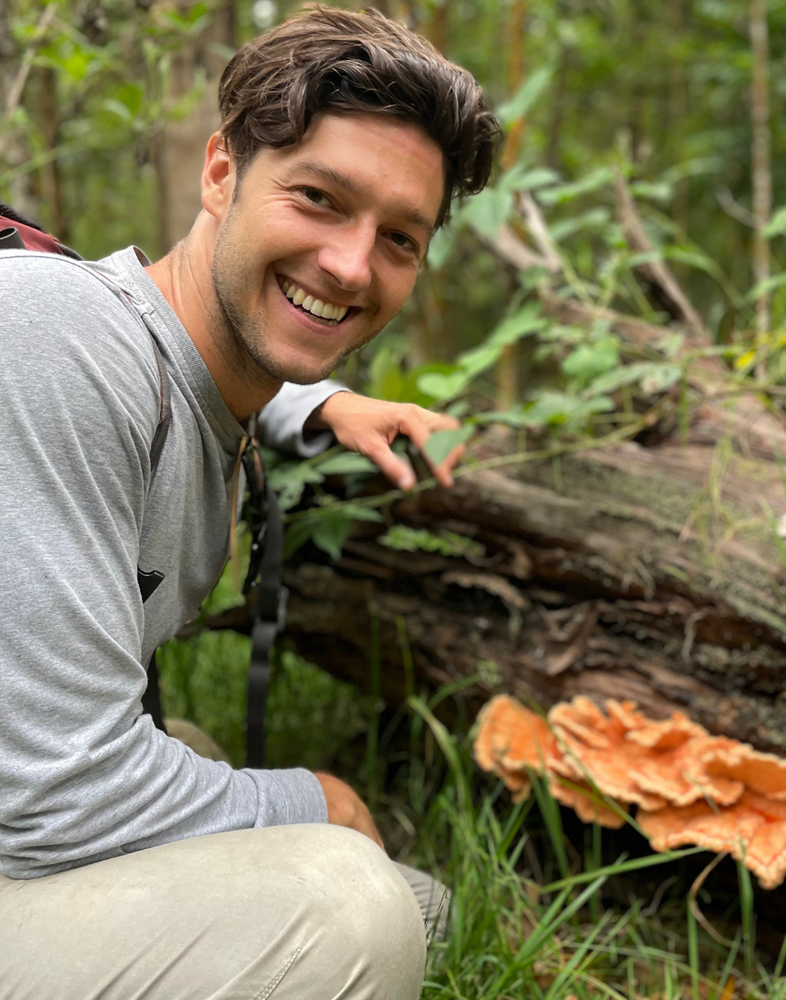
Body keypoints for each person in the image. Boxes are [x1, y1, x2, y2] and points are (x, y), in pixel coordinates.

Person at [0, 7, 501, 998]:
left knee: (418, 903)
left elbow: (204, 349)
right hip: (39, 800)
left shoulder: (175, 357)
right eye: (318, 198)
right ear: (221, 171)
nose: (352, 265)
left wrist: (319, 406)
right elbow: (59, 796)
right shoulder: (52, 330)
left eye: (397, 238)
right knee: (350, 911)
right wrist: (318, 797)